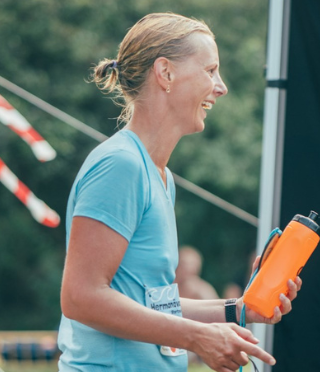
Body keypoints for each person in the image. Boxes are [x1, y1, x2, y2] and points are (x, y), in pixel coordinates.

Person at [58, 13, 301, 372]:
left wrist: (242, 308)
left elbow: (153, 304)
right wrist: (195, 336)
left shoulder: (161, 176)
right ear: (165, 73)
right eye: (210, 70)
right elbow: (80, 298)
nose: (221, 87)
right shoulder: (120, 165)